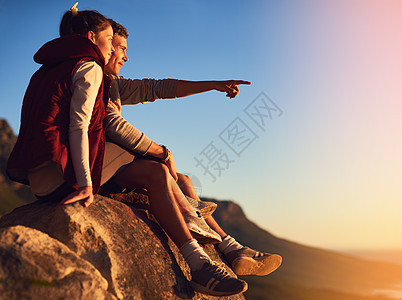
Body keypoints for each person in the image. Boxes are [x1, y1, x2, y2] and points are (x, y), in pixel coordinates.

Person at [101, 19, 282, 289]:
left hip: (113, 164)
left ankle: (232, 250)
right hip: (99, 168)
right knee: (159, 172)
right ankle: (198, 263)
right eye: (121, 48)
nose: (126, 57)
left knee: (183, 181)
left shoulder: (112, 83)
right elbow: (111, 124)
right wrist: (162, 152)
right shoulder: (92, 78)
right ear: (102, 43)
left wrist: (214, 84)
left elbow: (158, 88)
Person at [7, 5, 114, 207]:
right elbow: (78, 126)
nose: (113, 48)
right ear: (91, 37)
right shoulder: (89, 66)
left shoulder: (45, 70)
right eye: (109, 39)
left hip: (38, 181)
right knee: (146, 166)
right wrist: (85, 186)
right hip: (62, 178)